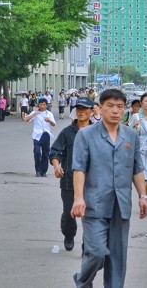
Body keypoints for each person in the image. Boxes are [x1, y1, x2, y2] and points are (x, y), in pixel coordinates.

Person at [71, 89, 147, 287]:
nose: (115, 111)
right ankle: (82, 281)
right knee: (96, 252)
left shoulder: (131, 136)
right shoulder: (86, 135)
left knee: (117, 257)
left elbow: (137, 168)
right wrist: (78, 198)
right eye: (110, 106)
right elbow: (79, 168)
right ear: (100, 108)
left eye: (120, 107)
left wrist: (143, 196)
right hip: (94, 205)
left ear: (125, 109)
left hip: (120, 206)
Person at [49, 97, 95, 252]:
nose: (81, 112)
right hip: (69, 181)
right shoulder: (67, 132)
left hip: (92, 182)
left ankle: (86, 244)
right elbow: (55, 152)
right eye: (78, 109)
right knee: (70, 214)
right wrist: (56, 166)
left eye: (84, 109)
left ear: (91, 111)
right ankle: (69, 235)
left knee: (89, 216)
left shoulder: (97, 132)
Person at [24, 97, 56, 177]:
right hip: (37, 135)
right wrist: (35, 113)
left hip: (45, 134)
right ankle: (37, 170)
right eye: (41, 104)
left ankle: (44, 171)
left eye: (44, 104)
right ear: (38, 104)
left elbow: (53, 124)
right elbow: (26, 119)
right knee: (37, 152)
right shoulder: (34, 112)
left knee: (45, 154)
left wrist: (49, 121)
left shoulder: (49, 114)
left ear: (46, 105)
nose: (42, 106)